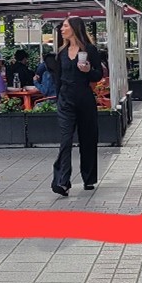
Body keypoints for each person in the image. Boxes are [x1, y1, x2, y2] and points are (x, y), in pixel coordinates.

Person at [52, 16, 104, 196]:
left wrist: (88, 70)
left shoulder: (89, 50)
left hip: (84, 99)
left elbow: (98, 75)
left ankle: (88, 179)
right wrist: (58, 99)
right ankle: (62, 181)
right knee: (65, 141)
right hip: (66, 101)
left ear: (74, 28)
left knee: (87, 139)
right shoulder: (61, 52)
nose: (62, 29)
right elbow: (57, 79)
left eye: (65, 26)